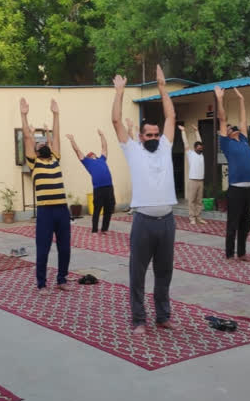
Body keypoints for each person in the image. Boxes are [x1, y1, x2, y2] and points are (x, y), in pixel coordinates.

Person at [112, 65, 177, 335]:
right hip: (143, 223)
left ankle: (163, 316)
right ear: (140, 137)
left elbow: (171, 116)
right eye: (148, 134)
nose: (152, 137)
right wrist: (119, 93)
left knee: (164, 273)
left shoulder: (165, 147)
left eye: (155, 134)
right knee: (137, 274)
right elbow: (116, 122)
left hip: (167, 222)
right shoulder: (133, 151)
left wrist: (162, 89)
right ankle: (139, 319)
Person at [21, 98, 70, 294]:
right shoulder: (34, 163)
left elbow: (56, 135)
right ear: (35, 151)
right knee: (43, 249)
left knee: (65, 249)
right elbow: (26, 137)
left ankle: (62, 279)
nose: (41, 145)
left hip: (62, 210)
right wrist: (23, 115)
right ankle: (41, 284)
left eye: (43, 143)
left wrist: (56, 114)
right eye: (38, 144)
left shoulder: (55, 158)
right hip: (45, 212)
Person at [215, 86, 250, 260]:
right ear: (227, 133)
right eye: (231, 128)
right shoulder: (226, 144)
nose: (234, 128)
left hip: (249, 188)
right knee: (233, 223)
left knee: (245, 224)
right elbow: (222, 119)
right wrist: (220, 99)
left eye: (234, 127)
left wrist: (241, 100)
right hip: (236, 190)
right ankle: (230, 254)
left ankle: (242, 253)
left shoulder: (244, 140)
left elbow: (244, 119)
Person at [66, 130, 115, 233]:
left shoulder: (102, 159)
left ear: (95, 155)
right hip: (98, 188)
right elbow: (77, 151)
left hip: (109, 187)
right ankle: (94, 230)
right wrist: (72, 140)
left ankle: (104, 229)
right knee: (97, 209)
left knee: (109, 208)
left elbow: (104, 147)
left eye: (92, 154)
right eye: (89, 154)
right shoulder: (87, 162)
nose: (91, 154)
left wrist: (102, 135)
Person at [179, 124, 206, 225]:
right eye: (199, 148)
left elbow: (200, 141)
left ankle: (198, 217)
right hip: (193, 181)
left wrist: (196, 131)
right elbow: (185, 143)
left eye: (201, 148)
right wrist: (183, 131)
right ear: (195, 148)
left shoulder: (201, 155)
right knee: (191, 200)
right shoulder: (190, 154)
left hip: (200, 181)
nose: (200, 149)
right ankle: (192, 218)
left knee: (199, 201)